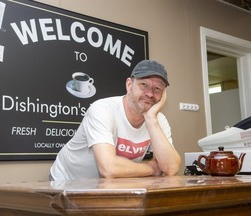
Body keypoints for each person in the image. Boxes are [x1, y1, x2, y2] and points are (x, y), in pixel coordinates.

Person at [50, 59, 181, 181]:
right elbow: (109, 169)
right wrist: (152, 168)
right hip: (66, 181)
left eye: (157, 89)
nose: (150, 93)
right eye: (143, 85)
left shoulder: (157, 119)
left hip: (105, 186)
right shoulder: (102, 109)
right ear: (129, 85)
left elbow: (171, 168)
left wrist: (151, 119)